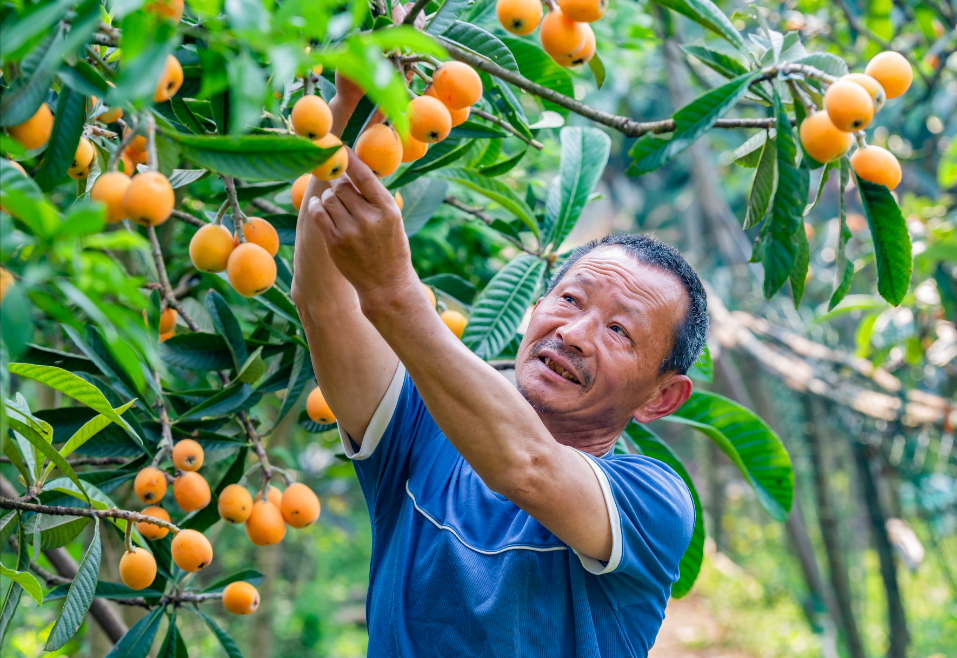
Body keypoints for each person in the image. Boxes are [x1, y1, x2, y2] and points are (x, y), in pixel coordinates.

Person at [291, 75, 707, 658]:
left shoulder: (653, 502)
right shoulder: (418, 429)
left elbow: (529, 468)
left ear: (661, 397)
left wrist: (394, 291)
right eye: (570, 300)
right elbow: (324, 306)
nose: (576, 333)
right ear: (531, 309)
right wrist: (347, 118)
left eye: (619, 331)